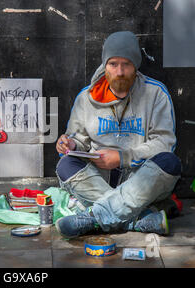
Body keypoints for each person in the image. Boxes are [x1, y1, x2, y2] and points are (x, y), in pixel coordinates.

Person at [55, 31, 181, 238]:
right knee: (65, 165)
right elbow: (78, 140)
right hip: (101, 178)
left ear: (136, 66)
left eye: (126, 64)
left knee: (170, 162)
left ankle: (95, 218)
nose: (120, 71)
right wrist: (70, 144)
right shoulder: (87, 97)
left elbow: (165, 143)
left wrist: (124, 157)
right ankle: (138, 220)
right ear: (105, 65)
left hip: (140, 178)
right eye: (113, 64)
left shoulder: (156, 93)